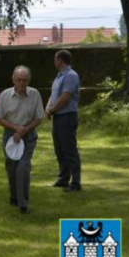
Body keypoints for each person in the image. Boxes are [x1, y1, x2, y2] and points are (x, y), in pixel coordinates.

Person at [0, 66, 45, 214]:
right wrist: (15, 128)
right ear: (13, 79)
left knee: (23, 167)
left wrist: (23, 130)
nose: (22, 83)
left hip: (28, 133)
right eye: (19, 80)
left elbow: (39, 118)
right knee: (11, 167)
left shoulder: (35, 94)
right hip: (10, 134)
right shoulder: (5, 95)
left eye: (25, 80)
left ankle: (23, 204)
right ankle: (14, 195)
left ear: (28, 80)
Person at [46, 50, 82, 192]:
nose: (54, 62)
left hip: (67, 117)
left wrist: (52, 110)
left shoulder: (71, 76)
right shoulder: (59, 77)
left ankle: (76, 182)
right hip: (58, 117)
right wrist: (48, 108)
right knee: (60, 149)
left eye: (55, 59)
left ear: (60, 60)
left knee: (69, 150)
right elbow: (54, 95)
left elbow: (65, 97)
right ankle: (63, 179)